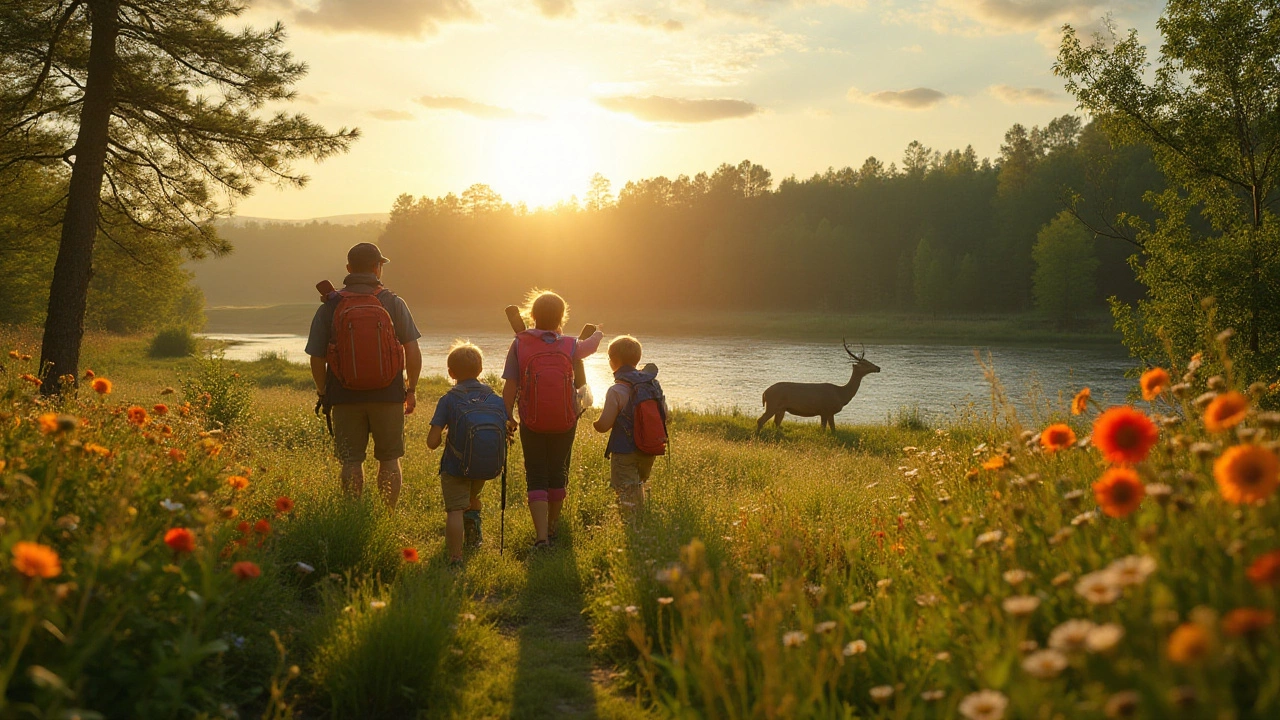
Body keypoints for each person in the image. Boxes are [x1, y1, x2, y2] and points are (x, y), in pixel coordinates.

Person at [306, 242, 422, 507]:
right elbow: (412, 350)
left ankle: (352, 514)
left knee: (351, 460)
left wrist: (324, 393)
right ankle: (387, 516)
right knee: (389, 459)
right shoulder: (393, 302)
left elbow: (316, 357)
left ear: (348, 269)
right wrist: (411, 388)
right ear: (377, 268)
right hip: (389, 394)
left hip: (344, 395)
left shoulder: (330, 305)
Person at [502, 290, 603, 548]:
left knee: (536, 474)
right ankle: (554, 526)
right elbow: (590, 347)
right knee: (558, 472)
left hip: (531, 420)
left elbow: (511, 385)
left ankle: (541, 537)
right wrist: (599, 333)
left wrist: (507, 416)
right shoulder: (569, 344)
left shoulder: (520, 343)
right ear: (562, 317)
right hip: (564, 421)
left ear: (532, 316)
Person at [428, 342, 508, 564]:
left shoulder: (449, 399)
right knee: (472, 498)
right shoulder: (496, 399)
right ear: (480, 370)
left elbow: (432, 442)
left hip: (455, 466)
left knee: (455, 509)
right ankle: (474, 538)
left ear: (451, 373)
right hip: (484, 465)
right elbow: (509, 427)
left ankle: (455, 558)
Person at [593, 335, 667, 515]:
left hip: (624, 451)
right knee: (638, 486)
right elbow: (666, 414)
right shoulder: (652, 384)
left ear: (613, 361)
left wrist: (594, 422)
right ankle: (642, 523)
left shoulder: (616, 390)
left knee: (626, 494)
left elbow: (604, 425)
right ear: (637, 359)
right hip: (649, 449)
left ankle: (632, 530)